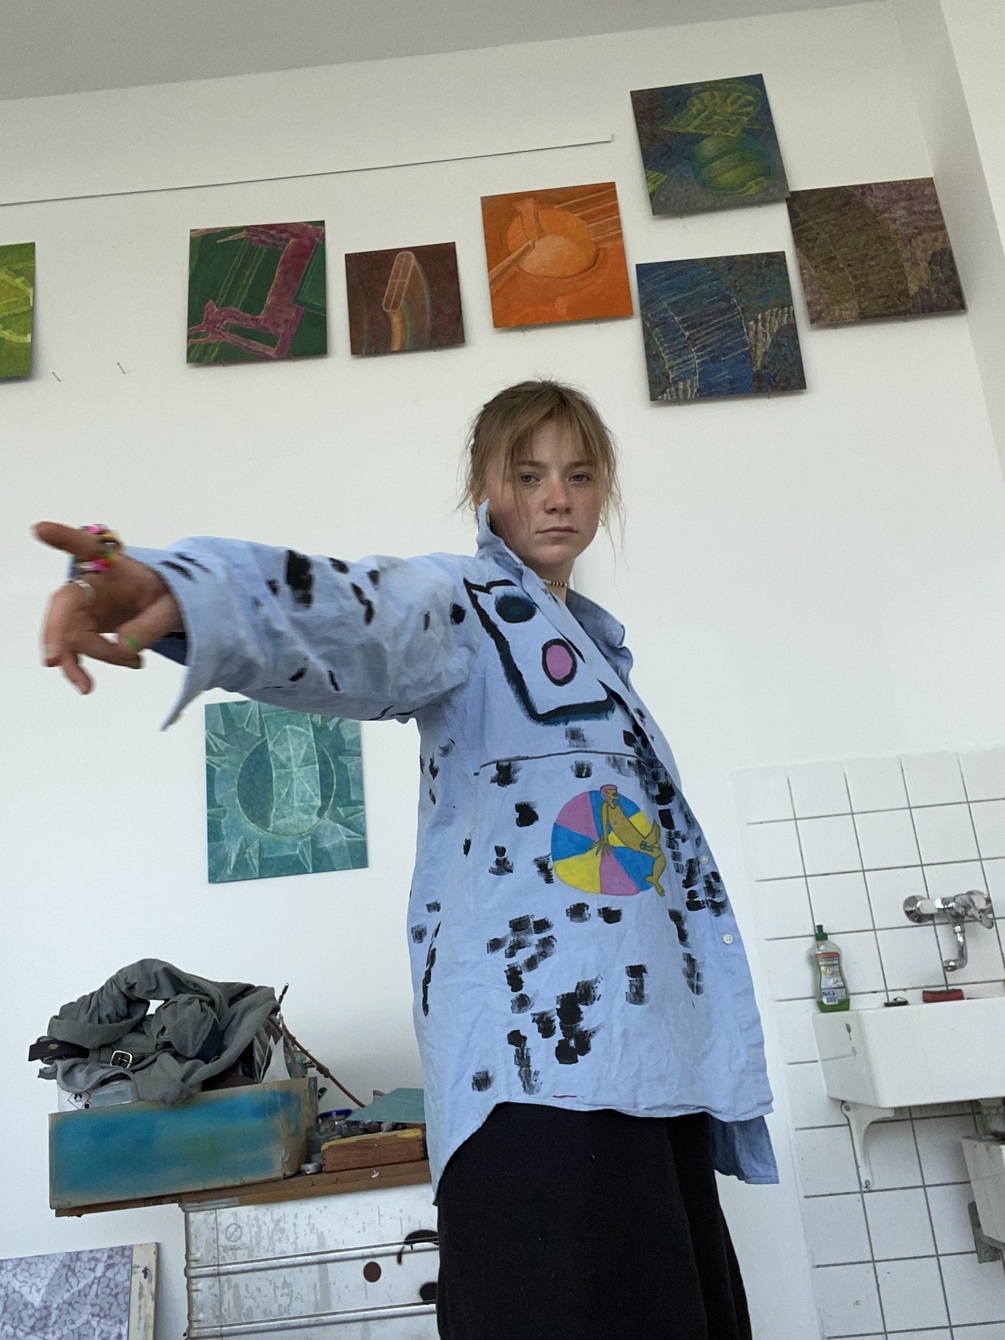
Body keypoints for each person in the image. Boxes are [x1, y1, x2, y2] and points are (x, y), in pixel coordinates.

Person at [37, 380, 776, 1340]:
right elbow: (353, 614)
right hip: (538, 1080)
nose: (556, 498)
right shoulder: (461, 605)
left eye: (579, 475)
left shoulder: (598, 654)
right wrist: (179, 589)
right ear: (484, 490)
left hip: (650, 1068)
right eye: (528, 475)